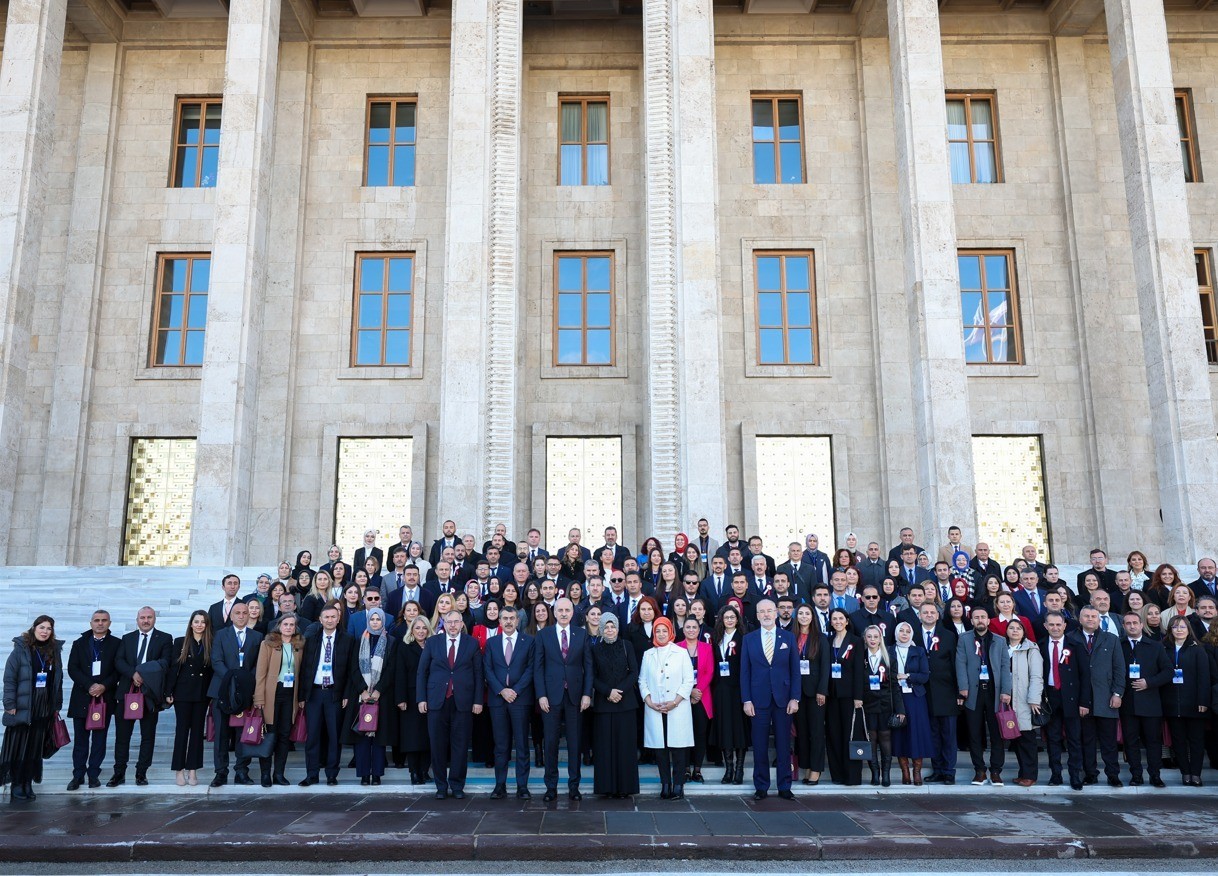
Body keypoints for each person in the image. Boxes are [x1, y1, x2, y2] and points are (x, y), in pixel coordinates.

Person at [417, 609, 484, 799]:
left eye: (456, 622)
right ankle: (440, 786)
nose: (453, 625)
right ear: (443, 624)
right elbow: (422, 672)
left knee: (460, 745)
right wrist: (421, 698)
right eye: (449, 622)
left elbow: (479, 674)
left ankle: (456, 785)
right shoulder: (432, 642)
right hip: (437, 701)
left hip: (463, 702)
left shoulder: (471, 643)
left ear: (462, 624)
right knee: (437, 745)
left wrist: (478, 700)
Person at [533, 597, 593, 801]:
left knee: (575, 743)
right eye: (561, 610)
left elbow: (589, 667)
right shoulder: (544, 635)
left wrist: (587, 694)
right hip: (550, 696)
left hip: (576, 696)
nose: (565, 613)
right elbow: (537, 668)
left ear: (573, 612)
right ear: (555, 612)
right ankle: (551, 787)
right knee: (550, 743)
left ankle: (574, 786)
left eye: (568, 610)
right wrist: (541, 694)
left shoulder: (581, 634)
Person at [740, 598, 800, 800]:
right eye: (761, 611)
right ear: (756, 615)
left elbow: (795, 671)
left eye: (769, 611)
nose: (766, 615)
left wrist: (795, 698)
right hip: (758, 700)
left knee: (783, 744)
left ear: (776, 613)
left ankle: (784, 786)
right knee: (759, 745)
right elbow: (744, 672)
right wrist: (746, 700)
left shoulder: (789, 638)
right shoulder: (749, 639)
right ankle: (761, 786)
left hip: (784, 699)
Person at [110, 606, 173, 788]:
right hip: (127, 692)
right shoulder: (127, 638)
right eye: (142, 617)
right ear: (137, 619)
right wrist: (134, 674)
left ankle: (141, 773)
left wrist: (143, 673)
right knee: (122, 736)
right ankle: (119, 773)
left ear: (154, 619)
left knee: (148, 736)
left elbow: (165, 662)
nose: (146, 621)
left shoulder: (165, 638)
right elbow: (118, 661)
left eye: (149, 617)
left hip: (149, 694)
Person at [1, 615, 63, 802]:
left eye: (49, 628)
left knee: (35, 746)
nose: (45, 631)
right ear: (34, 628)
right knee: (20, 746)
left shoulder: (53, 650)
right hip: (23, 705)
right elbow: (9, 678)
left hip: (43, 706)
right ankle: (17, 784)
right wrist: (9, 704)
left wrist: (56, 705)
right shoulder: (21, 650)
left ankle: (27, 782)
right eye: (42, 627)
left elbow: (57, 682)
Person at [296, 605, 356, 786]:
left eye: (333, 617)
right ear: (320, 620)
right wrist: (302, 696)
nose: (330, 620)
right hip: (314, 693)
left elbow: (351, 670)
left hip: (334, 694)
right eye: (326, 617)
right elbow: (304, 670)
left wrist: (346, 693)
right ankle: (311, 774)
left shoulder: (348, 640)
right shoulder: (311, 640)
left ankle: (332, 774)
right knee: (312, 735)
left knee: (333, 735)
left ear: (338, 619)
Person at [207, 600, 262, 787]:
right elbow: (216, 661)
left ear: (249, 615)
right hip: (222, 690)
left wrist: (244, 681)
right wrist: (232, 679)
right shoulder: (220, 635)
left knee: (242, 734)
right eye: (237, 613)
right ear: (231, 616)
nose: (241, 616)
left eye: (244, 613)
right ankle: (221, 772)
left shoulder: (257, 636)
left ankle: (241, 771)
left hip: (244, 693)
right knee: (221, 734)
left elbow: (258, 665)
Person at [956, 606, 1012, 786]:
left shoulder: (1000, 640)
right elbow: (960, 663)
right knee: (974, 732)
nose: (980, 620)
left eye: (983, 617)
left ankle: (996, 771)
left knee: (997, 734)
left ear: (988, 620)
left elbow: (1005, 667)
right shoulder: (964, 639)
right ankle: (979, 770)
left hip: (995, 692)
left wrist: (1006, 690)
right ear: (971, 621)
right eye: (976, 617)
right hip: (974, 691)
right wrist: (963, 687)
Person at [639, 617, 694, 799]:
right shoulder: (648, 654)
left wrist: (675, 701)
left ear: (670, 632)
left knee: (678, 749)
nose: (661, 634)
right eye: (657, 631)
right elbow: (642, 681)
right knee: (660, 750)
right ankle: (665, 783)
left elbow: (688, 681)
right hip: (655, 708)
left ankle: (678, 784)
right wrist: (649, 701)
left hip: (676, 707)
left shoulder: (681, 652)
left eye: (664, 630)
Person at [66, 610, 120, 790]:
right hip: (82, 696)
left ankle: (93, 775)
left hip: (104, 698)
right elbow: (72, 668)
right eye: (97, 620)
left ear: (109, 623)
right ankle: (78, 775)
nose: (100, 623)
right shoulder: (79, 643)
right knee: (81, 740)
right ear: (91, 623)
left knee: (99, 739)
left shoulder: (116, 644)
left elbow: (117, 670)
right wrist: (90, 685)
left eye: (104, 620)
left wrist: (103, 686)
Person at [484, 605, 534, 799]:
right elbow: (487, 669)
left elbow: (530, 669)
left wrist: (515, 690)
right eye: (504, 618)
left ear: (517, 620)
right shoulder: (492, 643)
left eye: (512, 618)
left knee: (522, 744)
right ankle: (500, 785)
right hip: (498, 700)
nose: (508, 621)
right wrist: (502, 690)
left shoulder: (528, 642)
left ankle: (522, 786)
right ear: (499, 621)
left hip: (520, 700)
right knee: (501, 745)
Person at [588, 614, 640, 798]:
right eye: (606, 627)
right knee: (605, 748)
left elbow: (634, 672)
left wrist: (620, 691)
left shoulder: (627, 646)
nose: (610, 630)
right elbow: (592, 676)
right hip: (604, 704)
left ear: (618, 628)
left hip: (625, 704)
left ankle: (625, 788)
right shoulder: (595, 649)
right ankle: (606, 788)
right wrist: (608, 692)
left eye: (613, 626)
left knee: (625, 747)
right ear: (601, 629)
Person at [252, 613, 306, 787]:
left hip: (291, 695)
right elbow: (260, 674)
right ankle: (265, 774)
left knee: (284, 735)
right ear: (279, 626)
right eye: (286, 624)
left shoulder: (299, 645)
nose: (289, 627)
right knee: (270, 735)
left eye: (292, 625)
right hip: (271, 694)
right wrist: (258, 697)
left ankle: (279, 774)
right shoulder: (268, 644)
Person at [343, 607, 395, 786]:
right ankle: (364, 774)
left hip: (382, 696)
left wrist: (378, 690)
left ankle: (377, 774)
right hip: (361, 697)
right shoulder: (359, 641)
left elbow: (391, 669)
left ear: (383, 621)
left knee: (379, 738)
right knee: (362, 736)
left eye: (378, 619)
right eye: (372, 619)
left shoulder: (391, 642)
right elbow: (353, 668)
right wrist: (363, 690)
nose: (375, 622)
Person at [1119, 610, 1171, 787]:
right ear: (1124, 626)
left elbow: (1168, 672)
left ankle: (1155, 775)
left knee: (1153, 741)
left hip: (1151, 703)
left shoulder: (1155, 646)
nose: (1132, 626)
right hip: (1127, 704)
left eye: (1135, 623)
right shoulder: (1119, 646)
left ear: (1142, 625)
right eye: (1128, 623)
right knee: (1131, 741)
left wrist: (1149, 682)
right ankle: (1136, 775)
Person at [1039, 610, 1088, 790]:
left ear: (1065, 626)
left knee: (1074, 738)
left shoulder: (1075, 645)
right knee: (1053, 738)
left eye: (1058, 624)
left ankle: (1075, 775)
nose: (1055, 628)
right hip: (1050, 697)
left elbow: (1085, 676)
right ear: (1045, 626)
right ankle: (1056, 774)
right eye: (1051, 624)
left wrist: (1084, 702)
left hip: (1072, 699)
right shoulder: (1041, 645)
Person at [165, 610, 214, 787]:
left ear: (207, 625)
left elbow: (212, 671)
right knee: (182, 731)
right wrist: (168, 691)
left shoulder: (210, 643)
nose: (199, 625)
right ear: (191, 623)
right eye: (196, 621)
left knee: (196, 733)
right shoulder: (180, 642)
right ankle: (179, 770)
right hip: (183, 693)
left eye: (203, 622)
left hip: (202, 694)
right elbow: (173, 668)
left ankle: (193, 770)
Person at [1161, 615, 1211, 786]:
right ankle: (1185, 773)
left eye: (1182, 627)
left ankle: (1196, 774)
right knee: (1178, 741)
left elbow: (1204, 678)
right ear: (1170, 630)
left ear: (1188, 629)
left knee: (1196, 741)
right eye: (1175, 627)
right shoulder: (1163, 648)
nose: (1179, 630)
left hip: (1195, 704)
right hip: (1172, 703)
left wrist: (1203, 701)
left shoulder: (1197, 649)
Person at [824, 607, 865, 786]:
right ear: (831, 622)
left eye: (841, 618)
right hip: (832, 696)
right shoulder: (828, 640)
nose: (838, 621)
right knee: (833, 734)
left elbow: (858, 672)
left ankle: (852, 776)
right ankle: (837, 774)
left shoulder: (856, 641)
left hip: (849, 696)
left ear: (847, 621)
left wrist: (858, 696)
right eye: (834, 619)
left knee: (849, 735)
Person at [860, 626, 904, 786]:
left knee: (885, 737)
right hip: (867, 704)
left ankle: (886, 773)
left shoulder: (889, 658)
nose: (872, 639)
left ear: (880, 639)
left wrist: (900, 709)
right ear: (865, 639)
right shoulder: (861, 657)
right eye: (869, 636)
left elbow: (895, 685)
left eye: (875, 637)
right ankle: (875, 772)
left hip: (885, 703)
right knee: (871, 738)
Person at [890, 621, 933, 785]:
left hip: (915, 697)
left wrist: (907, 676)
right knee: (900, 734)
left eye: (908, 631)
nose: (905, 634)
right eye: (901, 631)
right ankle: (905, 772)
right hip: (896, 696)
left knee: (917, 734)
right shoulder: (888, 650)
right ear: (896, 633)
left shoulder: (919, 651)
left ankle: (917, 771)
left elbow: (924, 676)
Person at [710, 605, 748, 784]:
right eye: (726, 617)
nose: (730, 620)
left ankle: (739, 770)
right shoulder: (717, 638)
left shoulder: (744, 639)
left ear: (737, 619)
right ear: (721, 620)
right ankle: (729, 769)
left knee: (739, 729)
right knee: (725, 729)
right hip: (722, 690)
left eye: (732, 617)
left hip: (739, 689)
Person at [392, 616, 432, 784]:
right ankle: (414, 771)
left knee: (428, 736)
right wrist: (400, 698)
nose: (421, 631)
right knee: (413, 736)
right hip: (410, 697)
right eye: (418, 628)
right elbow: (399, 673)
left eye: (424, 628)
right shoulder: (404, 646)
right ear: (412, 630)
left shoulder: (434, 646)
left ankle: (425, 770)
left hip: (431, 696)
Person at [791, 604, 828, 785]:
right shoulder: (791, 637)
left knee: (816, 732)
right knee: (802, 732)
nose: (804, 616)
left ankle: (816, 769)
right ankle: (805, 767)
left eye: (807, 613)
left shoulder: (821, 638)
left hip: (815, 693)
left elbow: (825, 667)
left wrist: (822, 690)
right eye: (801, 614)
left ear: (812, 617)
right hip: (797, 692)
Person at [1004, 618, 1044, 786]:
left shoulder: (1031, 649)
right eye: (1011, 628)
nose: (1014, 631)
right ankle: (1022, 773)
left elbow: (1036, 676)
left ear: (1023, 631)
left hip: (1025, 700)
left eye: (1018, 628)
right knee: (1016, 740)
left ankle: (1030, 775)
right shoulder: (1002, 648)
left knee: (1027, 739)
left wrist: (1034, 699)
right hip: (1007, 699)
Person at [678, 616, 713, 783]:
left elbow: (710, 672)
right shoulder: (677, 648)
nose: (691, 630)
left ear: (699, 630)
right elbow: (676, 675)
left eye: (694, 627)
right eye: (688, 627)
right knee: (683, 734)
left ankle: (697, 769)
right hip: (683, 698)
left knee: (700, 733)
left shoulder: (707, 648)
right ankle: (685, 769)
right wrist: (689, 692)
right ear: (683, 630)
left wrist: (697, 691)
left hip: (702, 696)